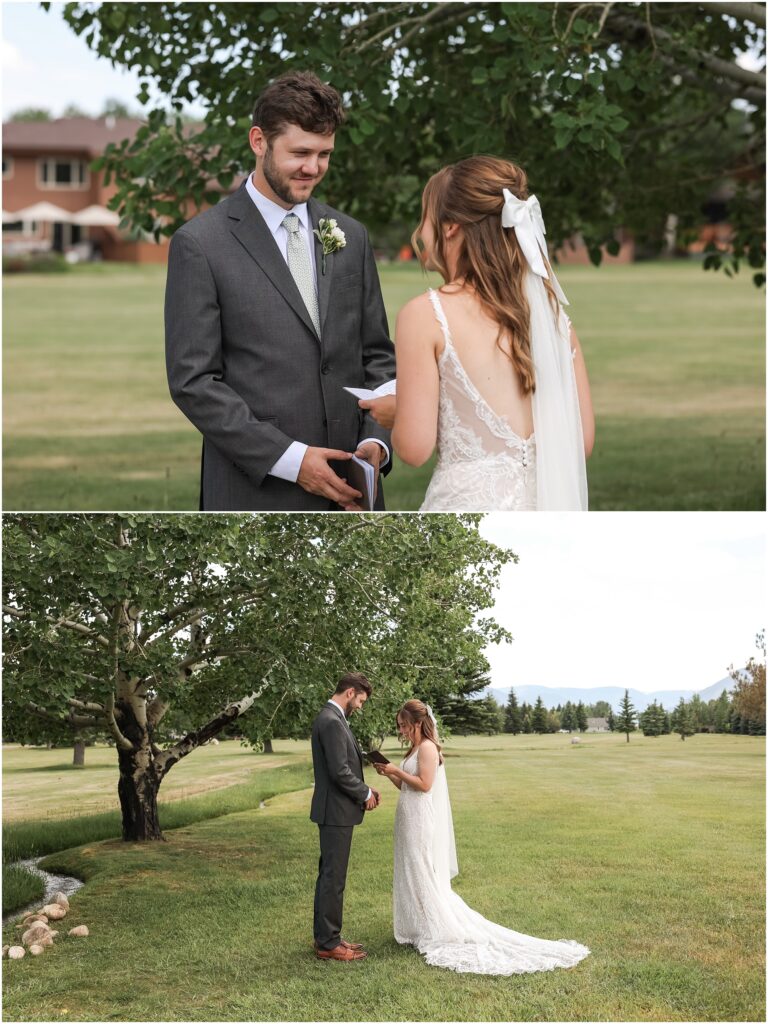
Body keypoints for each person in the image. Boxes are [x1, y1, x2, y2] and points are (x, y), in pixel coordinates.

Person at [165, 71, 396, 511]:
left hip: (355, 494)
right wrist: (291, 460)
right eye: (300, 152)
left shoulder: (351, 235)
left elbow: (378, 357)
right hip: (255, 494)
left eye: (324, 154)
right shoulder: (200, 243)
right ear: (259, 141)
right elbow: (194, 382)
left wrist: (377, 445)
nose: (313, 168)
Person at [359, 156, 594, 511]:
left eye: (425, 216)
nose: (421, 230)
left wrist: (402, 411)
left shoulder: (426, 314)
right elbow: (582, 442)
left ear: (450, 227)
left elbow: (413, 449)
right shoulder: (557, 321)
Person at [374, 699, 590, 974]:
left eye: (404, 725)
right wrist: (390, 773)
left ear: (417, 723)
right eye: (399, 726)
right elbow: (407, 785)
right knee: (412, 869)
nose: (401, 730)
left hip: (420, 819)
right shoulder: (415, 748)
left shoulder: (428, 748)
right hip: (408, 816)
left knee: (422, 870)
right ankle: (420, 925)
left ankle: (436, 926)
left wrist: (396, 769)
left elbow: (425, 785)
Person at [310, 673, 381, 961]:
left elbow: (343, 766)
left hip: (335, 810)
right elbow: (339, 772)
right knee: (333, 879)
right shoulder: (331, 720)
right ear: (350, 692)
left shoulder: (332, 718)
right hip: (335, 811)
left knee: (330, 876)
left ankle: (329, 937)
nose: (361, 706)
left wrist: (365, 787)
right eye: (361, 700)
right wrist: (364, 794)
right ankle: (328, 944)